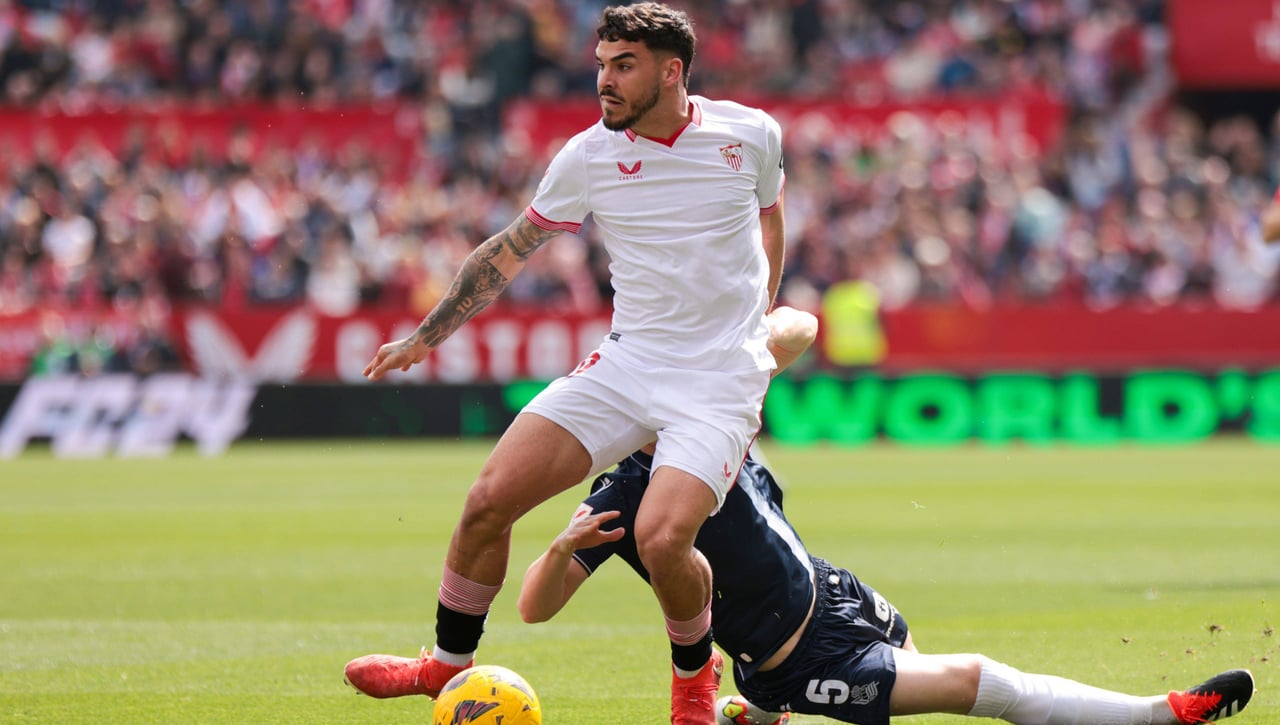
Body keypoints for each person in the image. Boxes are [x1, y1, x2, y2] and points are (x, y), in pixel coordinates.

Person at [344, 5, 788, 722]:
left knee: (662, 538)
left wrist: (759, 327)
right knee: (489, 499)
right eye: (601, 65)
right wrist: (428, 335)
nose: (604, 82)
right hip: (628, 363)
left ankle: (693, 681)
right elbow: (511, 247)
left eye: (623, 66)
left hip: (717, 381)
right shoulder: (588, 155)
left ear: (672, 71)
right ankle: (445, 668)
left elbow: (772, 215)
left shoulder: (751, 133)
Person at [518, 453, 1257, 725]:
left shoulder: (720, 421)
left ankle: (760, 709)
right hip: (801, 656)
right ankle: (1161, 715)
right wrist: (559, 548)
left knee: (915, 655)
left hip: (829, 589)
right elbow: (534, 606)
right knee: (975, 681)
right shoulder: (624, 491)